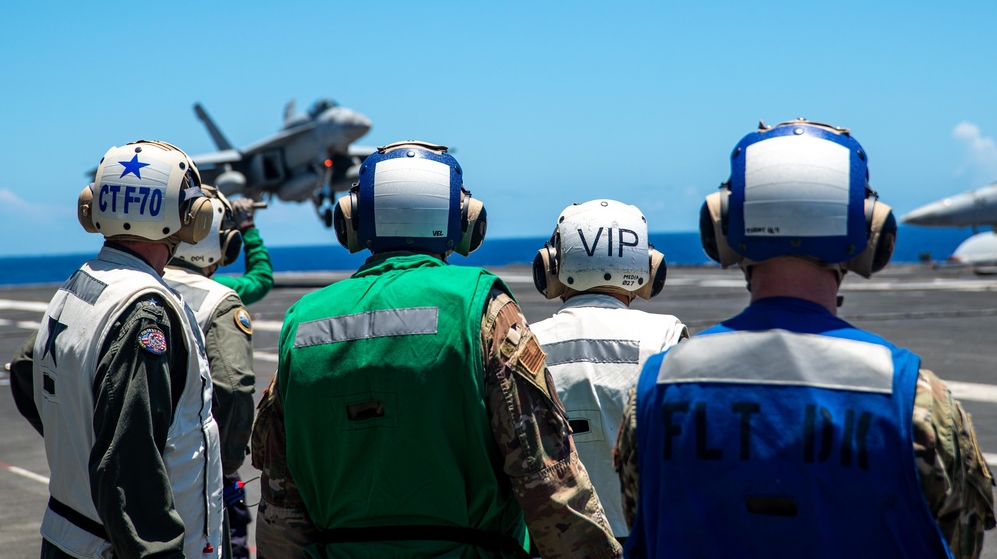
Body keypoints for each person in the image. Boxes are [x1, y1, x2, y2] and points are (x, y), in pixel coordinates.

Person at [616, 120, 996, 558]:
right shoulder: (918, 403)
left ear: (721, 227)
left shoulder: (654, 393)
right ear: (868, 231)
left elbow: (642, 522)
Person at [250, 140, 621, 559]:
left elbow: (281, 505)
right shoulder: (481, 306)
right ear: (465, 223)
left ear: (352, 221)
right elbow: (546, 473)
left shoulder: (304, 321)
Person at [8, 140, 225, 558]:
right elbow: (129, 466)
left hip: (70, 534)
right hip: (115, 547)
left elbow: (24, 369)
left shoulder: (82, 284)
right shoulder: (143, 312)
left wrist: (76, 439)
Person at [530, 199, 687, 544]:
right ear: (648, 268)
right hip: (644, 537)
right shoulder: (666, 336)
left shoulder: (528, 340)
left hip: (552, 543)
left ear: (553, 265)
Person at [164, 187, 262, 559]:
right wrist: (227, 464)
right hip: (193, 479)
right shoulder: (217, 298)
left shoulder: (122, 286)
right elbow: (235, 388)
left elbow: (29, 366)